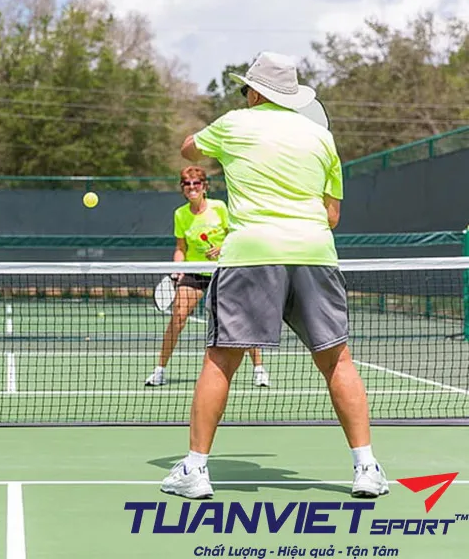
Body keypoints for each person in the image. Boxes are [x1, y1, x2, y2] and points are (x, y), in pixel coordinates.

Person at [160, 51, 388, 500]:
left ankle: (195, 469)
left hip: (252, 254)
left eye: (246, 89)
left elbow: (188, 148)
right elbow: (332, 214)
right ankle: (367, 467)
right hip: (314, 253)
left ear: (258, 91)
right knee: (337, 360)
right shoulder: (321, 138)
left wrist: (218, 148)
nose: (244, 95)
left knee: (221, 359)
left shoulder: (233, 124)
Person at [145, 166, 268, 388]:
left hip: (224, 270)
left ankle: (259, 369)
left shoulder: (219, 208)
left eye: (196, 183)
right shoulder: (180, 214)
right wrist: (177, 268)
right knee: (178, 316)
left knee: (241, 319)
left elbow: (237, 235)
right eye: (187, 184)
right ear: (182, 189)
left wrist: (222, 247)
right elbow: (180, 247)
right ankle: (159, 370)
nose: (192, 188)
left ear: (205, 187)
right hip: (195, 272)